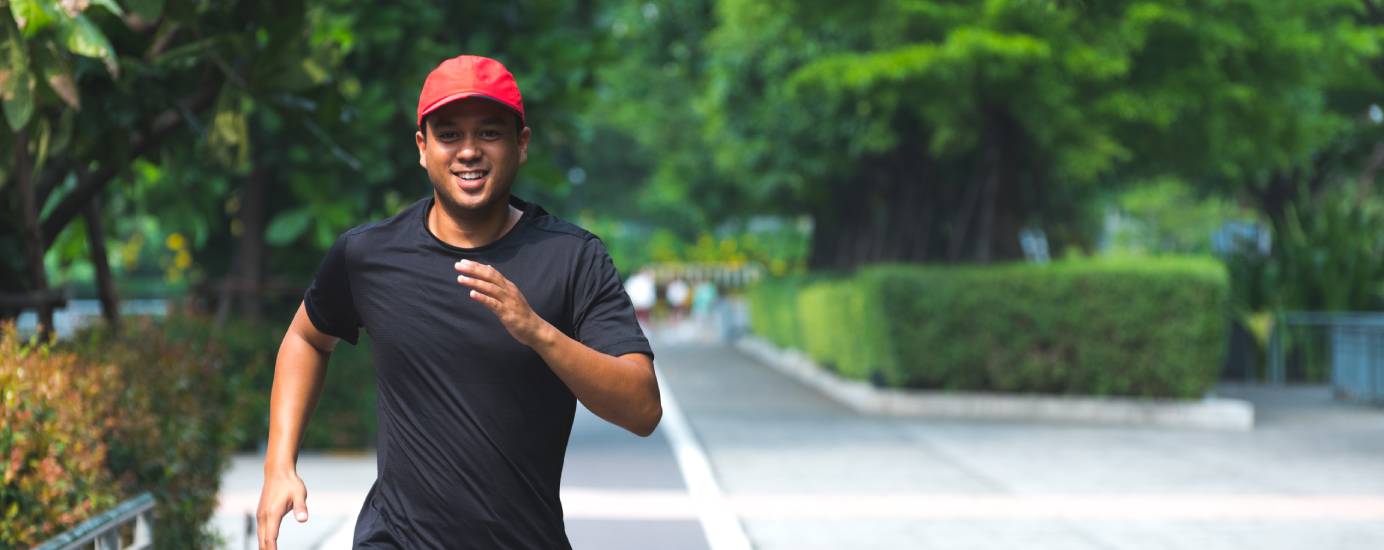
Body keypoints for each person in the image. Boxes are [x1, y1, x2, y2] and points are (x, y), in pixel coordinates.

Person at [255, 54, 661, 549]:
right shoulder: (368, 254)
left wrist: (538, 332)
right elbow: (306, 337)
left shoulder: (572, 258)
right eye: (449, 135)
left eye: (489, 133)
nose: (468, 151)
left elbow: (642, 408)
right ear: (423, 148)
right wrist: (279, 465)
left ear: (521, 144)